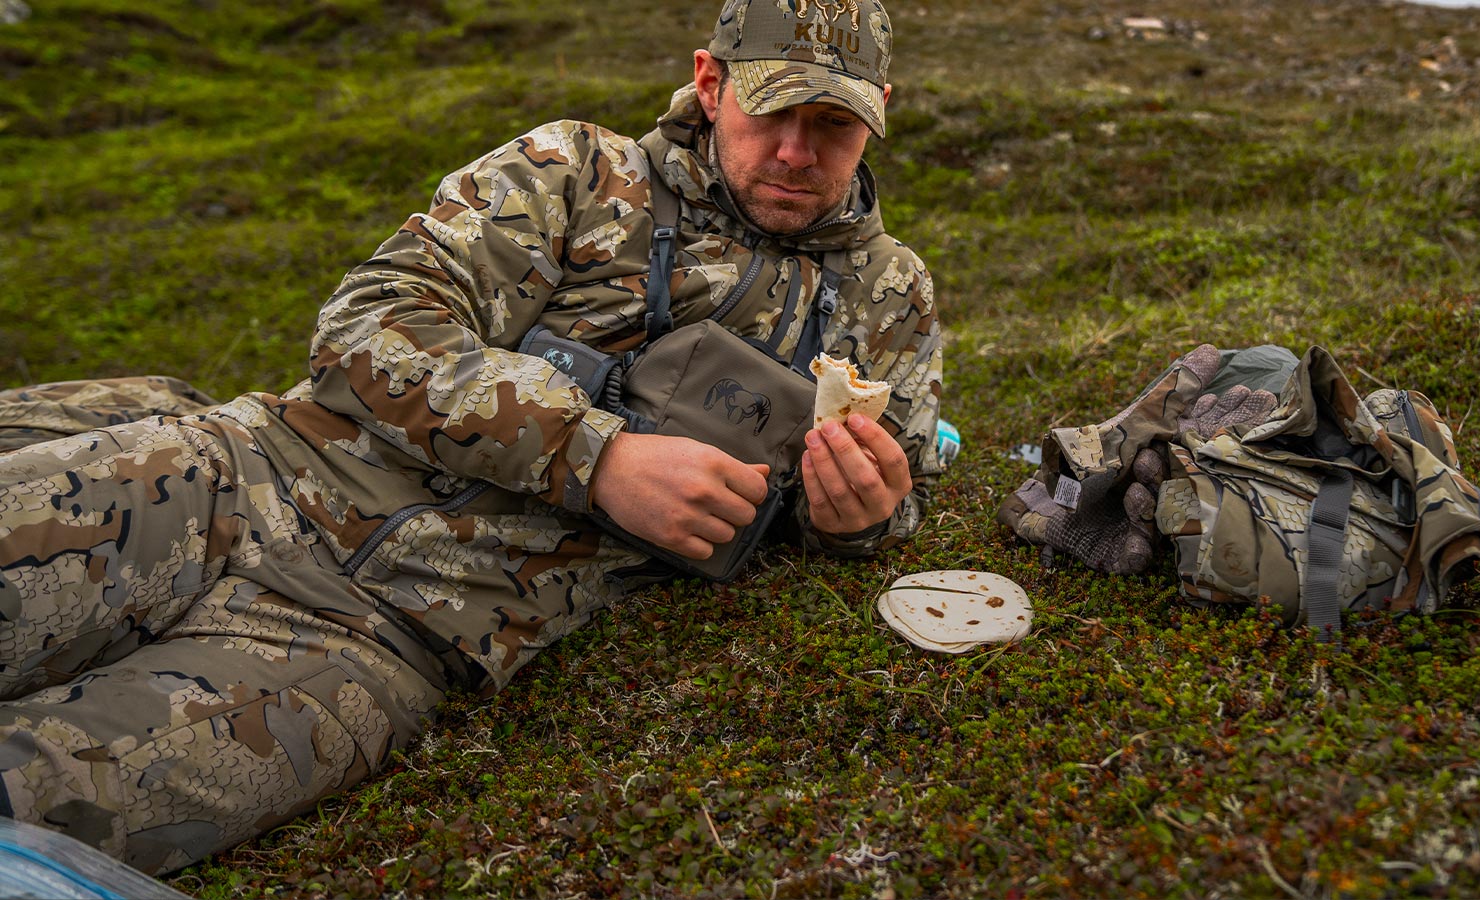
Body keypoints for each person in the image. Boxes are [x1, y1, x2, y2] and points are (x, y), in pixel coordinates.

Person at [0, 0, 939, 876]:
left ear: (878, 114)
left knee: (40, 796)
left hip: (385, 642)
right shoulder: (578, 169)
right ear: (708, 82)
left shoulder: (890, 298)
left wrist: (859, 518)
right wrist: (596, 457)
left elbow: (897, 500)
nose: (794, 152)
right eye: (770, 111)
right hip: (240, 475)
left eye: (833, 125)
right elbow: (369, 322)